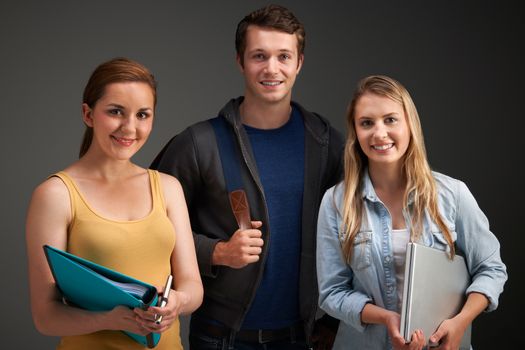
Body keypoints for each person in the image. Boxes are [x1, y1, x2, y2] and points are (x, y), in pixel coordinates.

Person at [151, 4, 344, 349]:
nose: (272, 68)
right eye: (259, 56)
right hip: (219, 337)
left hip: (302, 338)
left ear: (299, 63)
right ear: (240, 61)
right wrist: (218, 251)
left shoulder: (326, 143)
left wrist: (331, 320)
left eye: (284, 56)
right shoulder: (199, 144)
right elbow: (149, 230)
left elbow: (356, 234)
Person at [316, 75, 508, 349]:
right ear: (355, 132)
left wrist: (460, 322)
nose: (379, 133)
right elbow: (331, 293)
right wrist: (386, 318)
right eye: (367, 123)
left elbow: (491, 269)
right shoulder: (336, 202)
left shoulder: (452, 194)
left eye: (391, 119)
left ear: (410, 125)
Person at [26, 57, 203, 350]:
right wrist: (112, 320)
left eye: (143, 115)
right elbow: (45, 316)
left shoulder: (168, 188)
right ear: (88, 114)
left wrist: (178, 301)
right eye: (116, 112)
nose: (129, 128)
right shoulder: (55, 195)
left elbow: (193, 287)